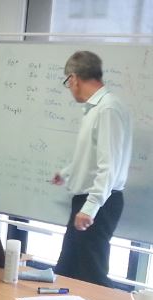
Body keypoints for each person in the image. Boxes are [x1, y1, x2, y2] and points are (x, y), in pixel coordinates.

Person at [52, 51, 132, 287]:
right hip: (89, 201)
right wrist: (66, 172)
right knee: (67, 269)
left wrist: (90, 207)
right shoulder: (95, 109)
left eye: (68, 82)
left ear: (74, 78)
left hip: (99, 203)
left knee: (91, 274)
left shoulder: (108, 109)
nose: (69, 87)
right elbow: (93, 157)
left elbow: (109, 165)